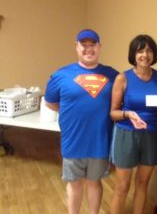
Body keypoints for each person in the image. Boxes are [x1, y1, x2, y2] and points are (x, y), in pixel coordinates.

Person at [44, 29, 118, 214]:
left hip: (100, 141)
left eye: (92, 45)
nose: (88, 49)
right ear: (76, 47)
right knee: (75, 184)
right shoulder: (60, 75)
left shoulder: (113, 75)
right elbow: (50, 102)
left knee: (94, 183)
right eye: (83, 45)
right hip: (73, 141)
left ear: (99, 47)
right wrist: (73, 113)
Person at [110, 34, 157, 214]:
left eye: (149, 50)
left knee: (143, 184)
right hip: (127, 134)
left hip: (152, 135)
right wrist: (128, 114)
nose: (145, 55)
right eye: (140, 51)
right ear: (133, 55)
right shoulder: (123, 78)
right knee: (122, 187)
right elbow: (113, 112)